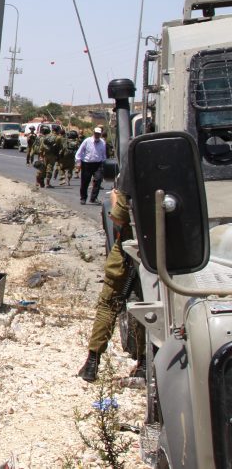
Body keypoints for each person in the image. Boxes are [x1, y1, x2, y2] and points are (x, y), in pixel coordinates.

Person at [77, 187, 145, 381]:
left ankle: (92, 362)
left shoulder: (133, 173)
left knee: (109, 305)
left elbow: (119, 217)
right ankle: (145, 363)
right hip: (158, 253)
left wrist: (115, 196)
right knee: (146, 306)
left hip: (128, 251)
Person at [75, 126, 107, 204]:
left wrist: (104, 163)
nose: (97, 135)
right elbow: (79, 152)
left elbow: (103, 154)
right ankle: (83, 198)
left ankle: (93, 198)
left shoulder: (103, 142)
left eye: (98, 134)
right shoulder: (87, 141)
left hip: (98, 164)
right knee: (85, 181)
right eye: (96, 133)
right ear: (93, 133)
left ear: (100, 134)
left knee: (98, 180)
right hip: (87, 164)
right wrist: (78, 162)